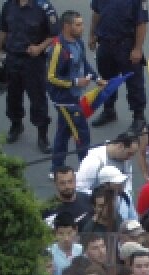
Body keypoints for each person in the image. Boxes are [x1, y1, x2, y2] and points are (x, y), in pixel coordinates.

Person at [0, 0, 58, 151]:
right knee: (13, 96)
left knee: (38, 99)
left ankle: (42, 135)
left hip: (33, 62)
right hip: (12, 58)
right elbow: (3, 31)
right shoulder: (8, 5)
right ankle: (16, 125)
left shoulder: (44, 7)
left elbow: (55, 34)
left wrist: (40, 47)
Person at [85, 0, 147, 130]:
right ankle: (109, 110)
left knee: (134, 82)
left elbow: (141, 23)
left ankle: (138, 116)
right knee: (106, 80)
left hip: (126, 45)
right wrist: (92, 35)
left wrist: (137, 49)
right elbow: (96, 13)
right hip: (105, 44)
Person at [46, 12, 96, 175]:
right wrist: (75, 82)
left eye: (82, 24)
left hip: (75, 96)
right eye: (78, 24)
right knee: (82, 134)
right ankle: (86, 171)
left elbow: (84, 64)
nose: (82, 27)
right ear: (67, 26)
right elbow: (51, 77)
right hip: (65, 100)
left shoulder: (78, 43)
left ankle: (56, 168)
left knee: (64, 132)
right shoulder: (57, 48)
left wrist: (97, 78)